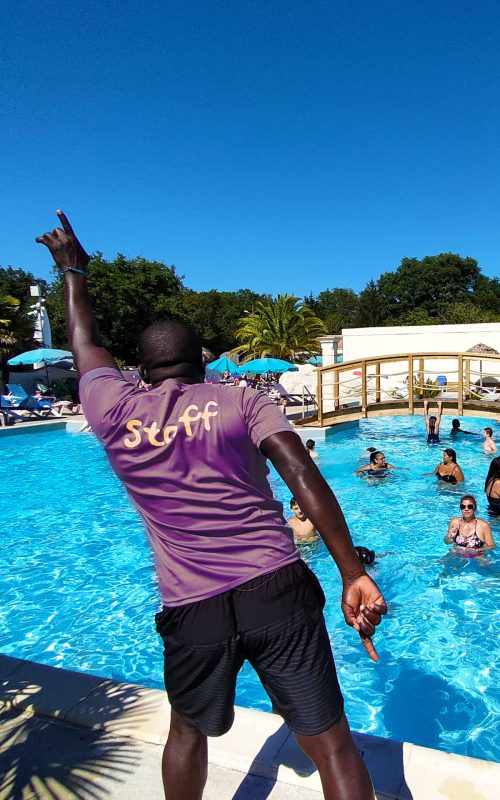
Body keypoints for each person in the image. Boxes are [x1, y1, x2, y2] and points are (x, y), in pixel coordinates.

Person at [36, 211, 386, 800]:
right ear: (202, 359)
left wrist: (73, 272)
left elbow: (85, 343)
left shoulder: (112, 409)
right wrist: (352, 571)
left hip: (191, 607)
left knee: (187, 733)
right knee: (330, 742)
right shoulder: (243, 399)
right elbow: (302, 473)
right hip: (276, 588)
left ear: (141, 371)